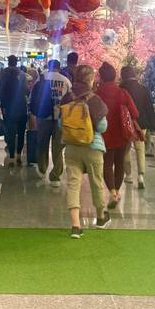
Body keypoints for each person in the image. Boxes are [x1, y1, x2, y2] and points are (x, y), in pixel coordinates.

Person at [60, 63, 110, 237]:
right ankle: (101, 217)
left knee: (73, 184)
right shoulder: (95, 100)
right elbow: (103, 127)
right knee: (97, 182)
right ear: (90, 79)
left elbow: (61, 123)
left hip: (72, 146)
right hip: (92, 146)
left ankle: (75, 225)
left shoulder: (67, 98)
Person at [95, 61, 139, 209]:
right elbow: (135, 113)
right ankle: (117, 192)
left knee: (106, 164)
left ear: (100, 77)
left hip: (104, 135)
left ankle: (112, 191)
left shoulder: (97, 94)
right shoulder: (122, 93)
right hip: (122, 135)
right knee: (119, 163)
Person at [28, 58, 71, 183]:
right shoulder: (65, 81)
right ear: (59, 67)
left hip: (43, 117)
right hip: (60, 118)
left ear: (49, 66)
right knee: (58, 148)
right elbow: (71, 99)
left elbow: (32, 97)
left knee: (42, 144)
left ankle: (42, 170)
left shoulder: (41, 78)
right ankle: (56, 176)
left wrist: (32, 113)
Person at [120, 64, 155, 190]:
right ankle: (141, 175)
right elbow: (149, 108)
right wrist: (153, 125)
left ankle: (128, 174)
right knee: (140, 149)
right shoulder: (143, 89)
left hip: (125, 124)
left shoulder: (121, 88)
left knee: (125, 149)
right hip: (141, 123)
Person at [0, 55, 29, 166]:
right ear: (16, 63)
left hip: (7, 106)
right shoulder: (22, 74)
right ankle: (19, 155)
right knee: (21, 131)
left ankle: (11, 157)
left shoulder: (3, 73)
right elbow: (26, 90)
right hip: (21, 106)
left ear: (8, 62)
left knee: (10, 131)